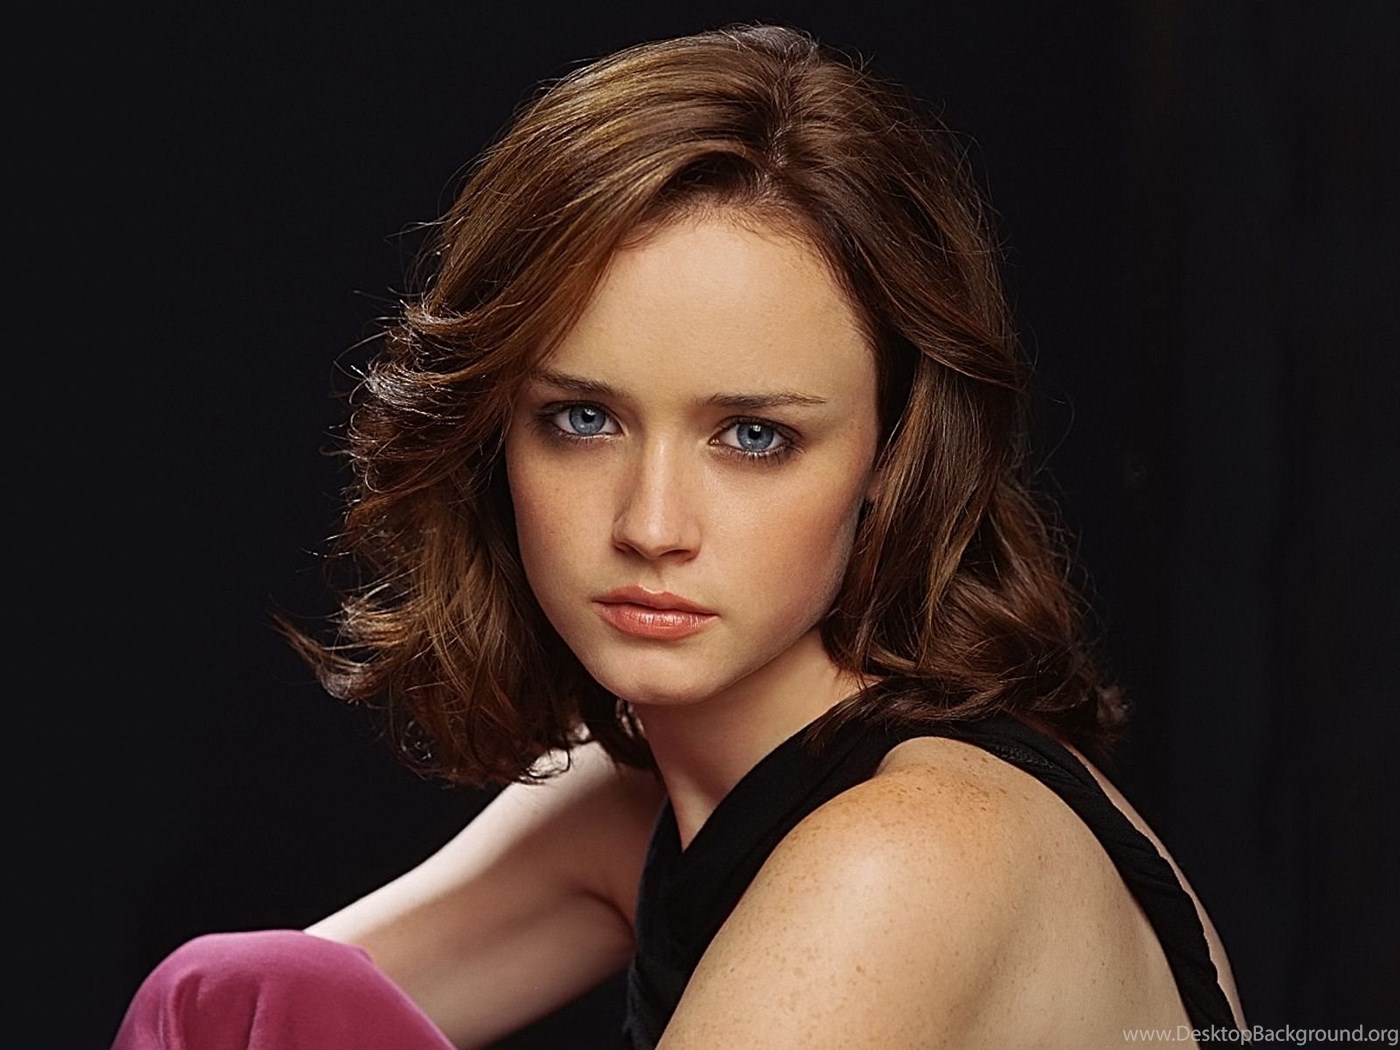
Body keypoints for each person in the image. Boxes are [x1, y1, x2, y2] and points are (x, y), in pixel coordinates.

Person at [114, 24, 1246, 1049]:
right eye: (582, 420)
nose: (650, 527)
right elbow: (239, 1018)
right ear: (493, 434)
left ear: (894, 456)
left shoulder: (909, 855)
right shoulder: (651, 792)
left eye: (753, 436)